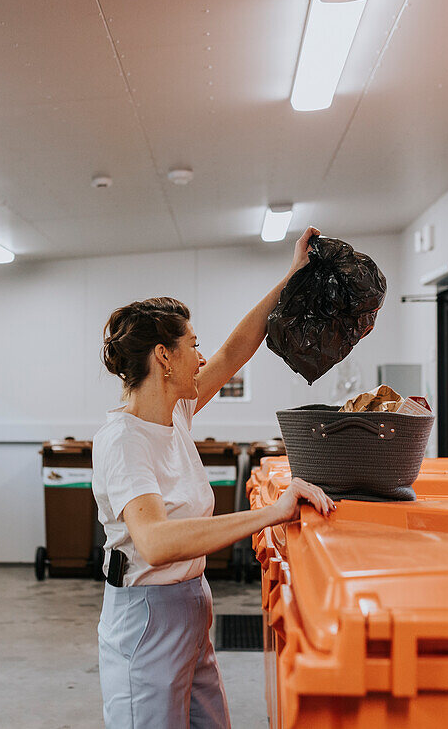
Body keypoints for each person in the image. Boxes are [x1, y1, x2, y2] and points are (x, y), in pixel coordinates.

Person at [92, 226, 336, 728]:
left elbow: (235, 350)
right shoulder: (123, 440)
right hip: (146, 620)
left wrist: (293, 276)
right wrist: (270, 513)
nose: (201, 357)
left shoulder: (175, 414)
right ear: (164, 356)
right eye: (192, 346)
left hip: (193, 607)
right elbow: (156, 542)